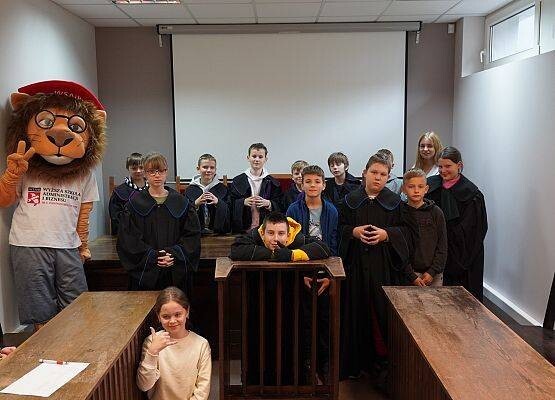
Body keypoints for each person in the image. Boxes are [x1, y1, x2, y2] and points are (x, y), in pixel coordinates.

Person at [230, 211, 331, 385]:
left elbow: (323, 248)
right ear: (263, 232)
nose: (275, 238)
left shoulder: (297, 238)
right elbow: (236, 249)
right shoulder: (254, 236)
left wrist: (291, 255)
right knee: (259, 341)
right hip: (259, 302)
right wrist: (273, 255)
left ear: (288, 233)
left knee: (292, 341)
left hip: (291, 303)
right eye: (270, 233)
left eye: (281, 233)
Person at [339, 153, 415, 383]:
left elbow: (407, 233)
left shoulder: (395, 203)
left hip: (384, 267)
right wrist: (353, 232)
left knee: (381, 314)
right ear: (365, 173)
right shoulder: (349, 201)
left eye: (383, 174)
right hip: (355, 266)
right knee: (355, 312)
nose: (378, 177)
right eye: (374, 172)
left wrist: (387, 234)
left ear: (388, 176)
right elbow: (338, 228)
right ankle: (356, 363)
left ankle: (383, 365)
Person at [117, 152, 201, 294]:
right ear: (145, 173)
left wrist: (174, 255)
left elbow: (192, 237)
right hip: (146, 274)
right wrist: (153, 257)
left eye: (161, 171)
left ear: (166, 172)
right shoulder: (134, 205)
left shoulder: (181, 203)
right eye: (152, 171)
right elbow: (128, 241)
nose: (157, 175)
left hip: (175, 271)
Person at [286, 165, 338, 382]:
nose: (313, 185)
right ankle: (305, 364)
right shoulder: (293, 210)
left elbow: (334, 245)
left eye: (317, 181)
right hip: (301, 270)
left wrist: (329, 276)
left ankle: (323, 363)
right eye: (308, 181)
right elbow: (290, 244)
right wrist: (301, 275)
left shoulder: (331, 211)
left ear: (324, 185)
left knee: (324, 320)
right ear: (301, 184)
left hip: (324, 271)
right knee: (303, 320)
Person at [425, 147, 487, 301]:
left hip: (463, 254)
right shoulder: (430, 186)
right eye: (440, 166)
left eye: (448, 166)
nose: (443, 170)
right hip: (434, 252)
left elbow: (475, 230)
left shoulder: (472, 195)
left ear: (459, 165)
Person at [137, 286, 211, 400]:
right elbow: (144, 386)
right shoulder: (152, 341)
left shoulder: (201, 344)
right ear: (158, 317)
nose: (172, 321)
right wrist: (152, 352)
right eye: (166, 316)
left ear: (187, 312)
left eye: (177, 315)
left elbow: (202, 391)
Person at [402, 168, 447, 287]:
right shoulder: (399, 213)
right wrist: (411, 275)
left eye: (420, 187)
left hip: (433, 274)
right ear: (404, 189)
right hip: (407, 274)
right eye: (411, 186)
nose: (416, 190)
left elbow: (442, 245)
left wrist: (432, 271)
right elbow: (398, 248)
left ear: (426, 189)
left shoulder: (436, 213)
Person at [229, 143, 282, 233]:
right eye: (254, 156)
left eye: (260, 157)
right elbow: (230, 203)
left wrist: (269, 203)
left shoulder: (273, 183)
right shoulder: (238, 181)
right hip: (243, 228)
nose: (257, 160)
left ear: (265, 159)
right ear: (248, 158)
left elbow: (280, 204)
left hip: (265, 229)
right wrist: (243, 202)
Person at [185, 154, 230, 235]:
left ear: (215, 170)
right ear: (198, 169)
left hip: (217, 234)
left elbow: (230, 210)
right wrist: (195, 204)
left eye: (212, 167)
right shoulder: (190, 190)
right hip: (196, 233)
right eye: (205, 167)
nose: (209, 170)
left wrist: (218, 203)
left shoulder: (222, 189)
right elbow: (184, 212)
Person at [109, 152, 147, 235]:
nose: (138, 171)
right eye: (134, 168)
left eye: (141, 167)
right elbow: (115, 218)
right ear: (128, 168)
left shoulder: (153, 189)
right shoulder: (119, 192)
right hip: (127, 235)